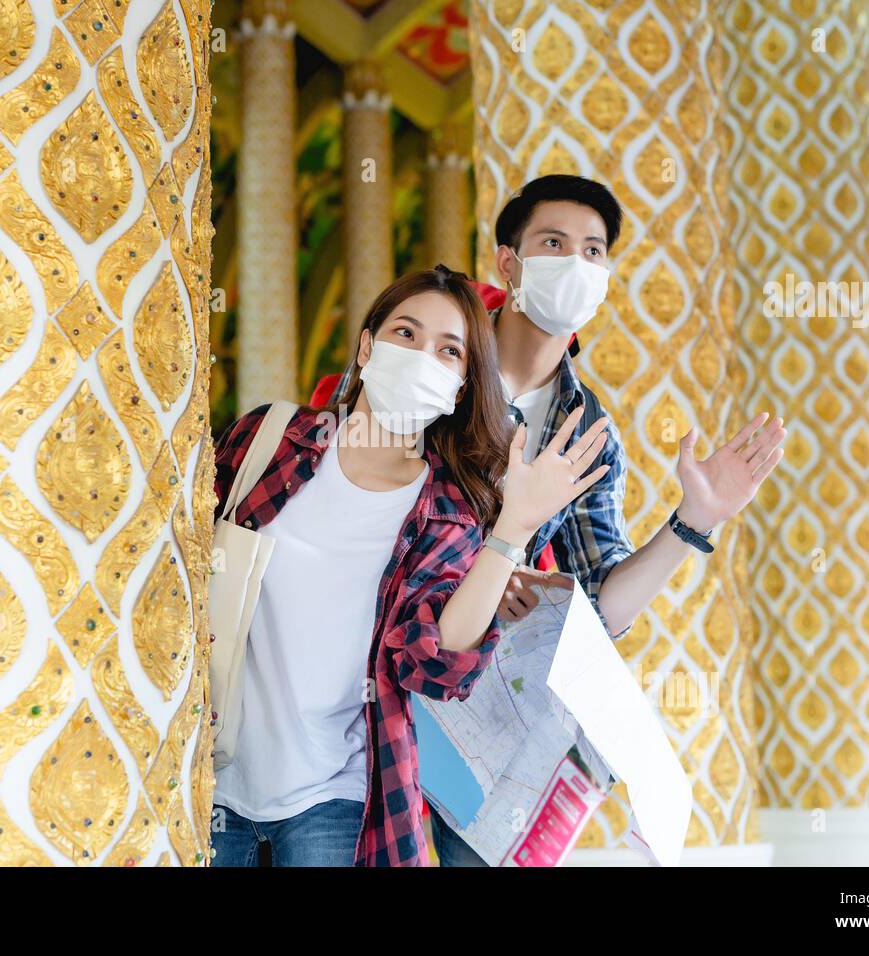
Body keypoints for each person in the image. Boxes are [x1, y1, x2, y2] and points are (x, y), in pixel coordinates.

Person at [313, 175, 788, 866]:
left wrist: (693, 520)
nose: (575, 263)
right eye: (554, 243)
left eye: (593, 251)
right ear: (508, 261)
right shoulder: (433, 361)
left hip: (468, 713)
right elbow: (350, 476)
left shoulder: (584, 428)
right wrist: (474, 566)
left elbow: (601, 603)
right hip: (360, 675)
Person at [209, 266, 615, 866]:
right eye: (405, 333)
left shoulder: (447, 514)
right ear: (368, 346)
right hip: (209, 775)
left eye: (449, 351)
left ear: (460, 388)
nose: (422, 356)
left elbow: (436, 666)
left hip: (337, 797)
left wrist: (512, 529)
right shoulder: (268, 442)